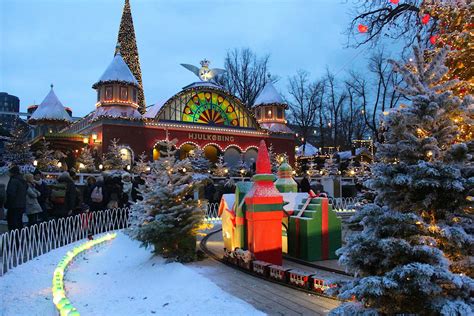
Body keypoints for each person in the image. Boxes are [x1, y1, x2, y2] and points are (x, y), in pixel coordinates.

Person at [5, 165, 28, 231]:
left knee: (13, 223)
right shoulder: (23, 181)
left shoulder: (14, 181)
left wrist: (7, 203)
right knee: (19, 222)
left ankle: (14, 239)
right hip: (21, 205)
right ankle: (20, 237)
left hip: (13, 205)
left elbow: (11, 193)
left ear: (12, 172)